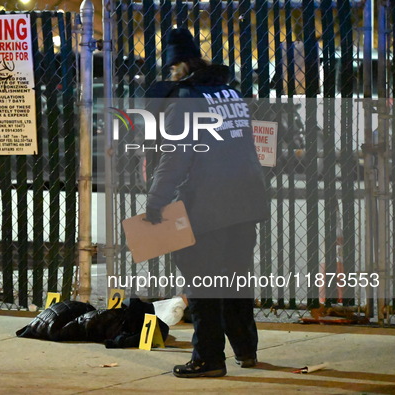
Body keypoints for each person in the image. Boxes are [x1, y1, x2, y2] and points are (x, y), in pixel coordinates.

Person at [144, 28, 269, 378]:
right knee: (235, 278)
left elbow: (174, 158)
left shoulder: (187, 98)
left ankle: (208, 358)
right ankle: (246, 350)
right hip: (246, 199)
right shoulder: (230, 93)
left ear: (179, 66)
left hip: (207, 204)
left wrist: (155, 203)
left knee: (202, 282)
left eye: (171, 70)